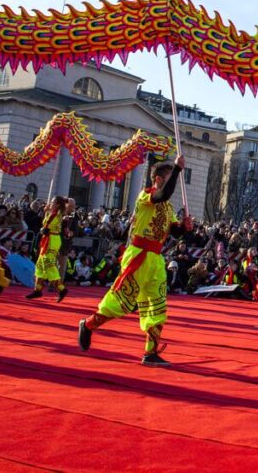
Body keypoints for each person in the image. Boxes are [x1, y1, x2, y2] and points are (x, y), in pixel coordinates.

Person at [78, 156, 193, 366]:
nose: (172, 184)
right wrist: (177, 169)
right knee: (121, 302)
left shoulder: (167, 208)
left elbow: (175, 232)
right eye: (168, 178)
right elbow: (163, 194)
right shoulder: (146, 196)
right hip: (139, 256)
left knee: (157, 306)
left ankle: (150, 353)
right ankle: (88, 324)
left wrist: (185, 227)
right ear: (157, 179)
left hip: (156, 259)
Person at [26, 196, 69, 302]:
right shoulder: (53, 213)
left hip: (52, 240)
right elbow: (45, 225)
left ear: (57, 204)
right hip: (48, 239)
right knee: (40, 264)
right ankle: (38, 289)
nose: (50, 203)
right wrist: (46, 212)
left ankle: (61, 289)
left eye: (53, 202)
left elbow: (45, 228)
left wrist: (43, 227)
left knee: (48, 264)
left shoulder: (55, 214)